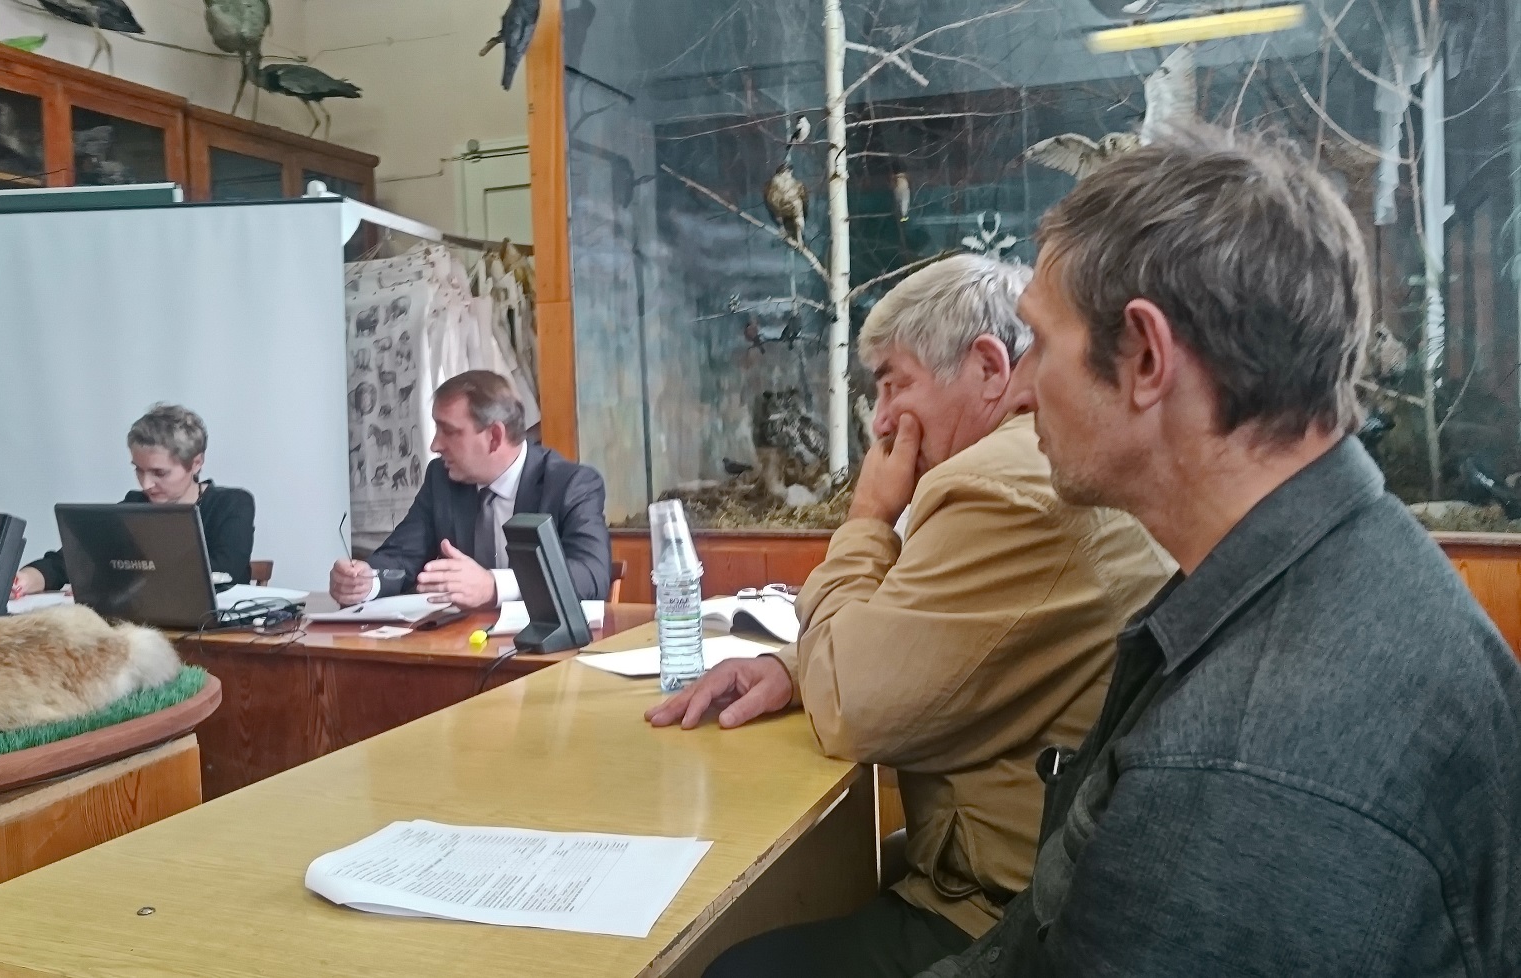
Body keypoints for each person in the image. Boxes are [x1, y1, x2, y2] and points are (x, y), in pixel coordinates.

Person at [910, 128, 1521, 977]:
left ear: (1146, 358)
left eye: (1039, 342)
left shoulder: (1238, 775)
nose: (1017, 387)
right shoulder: (1347, 566)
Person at [646, 254, 1175, 978]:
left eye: (896, 384)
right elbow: (950, 629)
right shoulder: (1032, 468)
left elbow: (854, 709)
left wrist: (867, 517)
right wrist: (792, 667)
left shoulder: (993, 484)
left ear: (989, 368)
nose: (883, 418)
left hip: (1003, 910)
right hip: (1038, 869)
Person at [330, 370, 610, 611]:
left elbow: (591, 574)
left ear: (494, 437)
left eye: (449, 431)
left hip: (548, 650)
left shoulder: (571, 484)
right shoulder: (441, 479)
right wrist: (366, 581)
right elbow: (402, 556)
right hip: (462, 643)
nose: (435, 445)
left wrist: (494, 586)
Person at [13, 403, 255, 596]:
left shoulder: (231, 505)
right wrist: (29, 578)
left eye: (159, 473)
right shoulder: (134, 506)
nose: (146, 484)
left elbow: (224, 572)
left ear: (196, 463)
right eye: (138, 470)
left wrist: (115, 584)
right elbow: (70, 560)